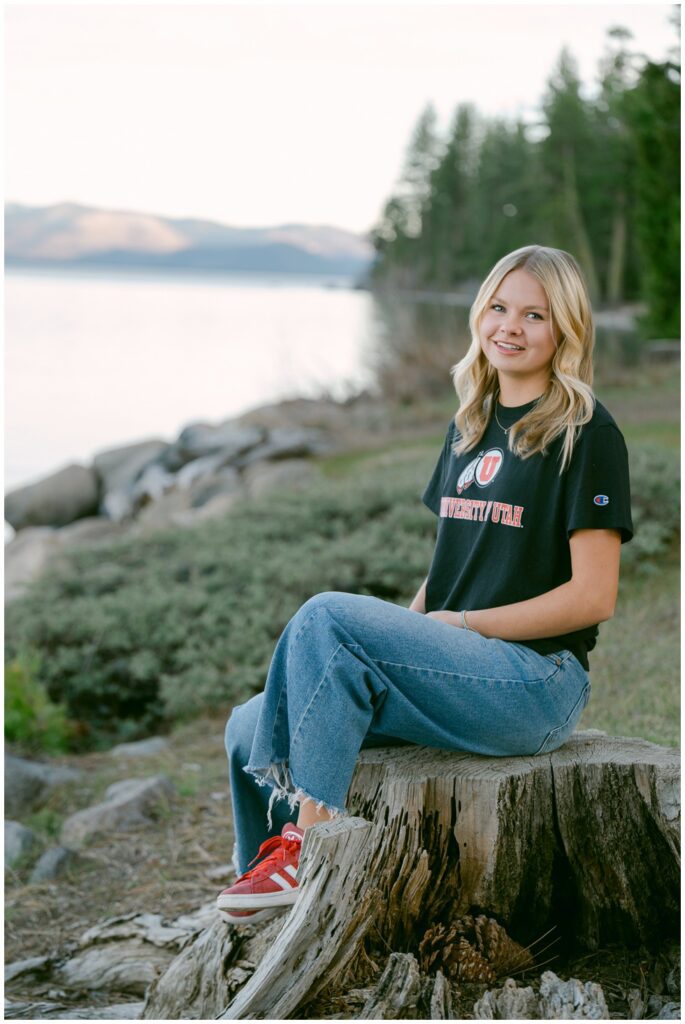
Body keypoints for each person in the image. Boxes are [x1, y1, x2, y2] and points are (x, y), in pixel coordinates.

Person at [216, 243, 633, 924]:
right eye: (498, 307)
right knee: (245, 728)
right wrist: (403, 631)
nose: (509, 326)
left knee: (325, 614)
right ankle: (261, 880)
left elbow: (594, 598)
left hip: (534, 683)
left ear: (564, 329)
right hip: (453, 667)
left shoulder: (584, 433)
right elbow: (446, 573)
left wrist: (461, 626)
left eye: (533, 314)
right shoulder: (468, 426)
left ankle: (310, 845)